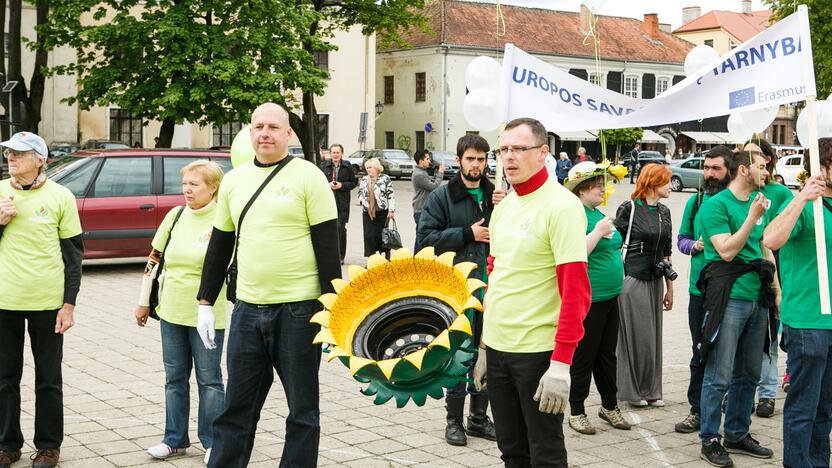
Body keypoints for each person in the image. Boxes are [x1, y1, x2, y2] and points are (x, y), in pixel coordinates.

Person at [195, 102, 340, 468]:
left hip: (299, 311)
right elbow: (221, 244)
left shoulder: (309, 177)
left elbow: (328, 248)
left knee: (302, 410)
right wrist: (204, 301)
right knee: (236, 410)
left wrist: (334, 309)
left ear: (288, 133)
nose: (265, 133)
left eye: (273, 127)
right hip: (246, 310)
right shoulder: (233, 181)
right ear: (249, 132)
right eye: (258, 126)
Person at [473, 117, 591, 466]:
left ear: (543, 153)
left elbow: (576, 291)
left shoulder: (561, 206)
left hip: (537, 355)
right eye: (503, 149)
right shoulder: (504, 206)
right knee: (511, 450)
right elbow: (496, 277)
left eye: (518, 149)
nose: (509, 158)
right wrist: (483, 345)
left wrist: (561, 364)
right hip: (498, 349)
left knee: (545, 453)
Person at [134, 160, 227, 464]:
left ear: (213, 187)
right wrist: (144, 301)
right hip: (171, 311)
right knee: (174, 378)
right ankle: (174, 439)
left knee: (210, 380)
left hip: (209, 314)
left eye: (194, 184)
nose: (187, 190)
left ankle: (213, 441)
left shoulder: (224, 220)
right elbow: (154, 259)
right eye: (185, 184)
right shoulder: (175, 215)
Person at [0, 132, 83, 468]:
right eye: (8, 152)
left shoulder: (61, 196)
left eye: (19, 153)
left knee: (48, 378)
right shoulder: (0, 193)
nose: (11, 157)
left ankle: (49, 446)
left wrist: (69, 304)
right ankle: (7, 445)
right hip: (5, 301)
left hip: (48, 303)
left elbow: (74, 256)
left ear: (40, 159)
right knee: (5, 377)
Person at [416, 134, 497, 446]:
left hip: (492, 288)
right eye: (470, 159)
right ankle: (453, 422)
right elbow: (425, 238)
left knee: (487, 354)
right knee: (459, 355)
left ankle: (478, 419)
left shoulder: (496, 195)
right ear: (459, 160)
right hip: (459, 290)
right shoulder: (443, 196)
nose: (476, 165)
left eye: (481, 159)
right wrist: (468, 233)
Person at [697, 149, 775, 466]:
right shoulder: (716, 206)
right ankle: (710, 439)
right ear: (744, 170)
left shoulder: (759, 203)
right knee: (720, 373)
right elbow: (726, 251)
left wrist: (777, 293)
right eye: (761, 167)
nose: (767, 172)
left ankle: (737, 433)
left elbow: (765, 248)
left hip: (757, 296)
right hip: (728, 297)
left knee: (750, 373)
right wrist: (752, 218)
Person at [763, 138, 832, 468]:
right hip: (808, 322)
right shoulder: (804, 206)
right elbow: (771, 239)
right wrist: (803, 195)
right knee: (804, 407)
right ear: (822, 167)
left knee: (825, 409)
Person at [563, 162, 630, 435]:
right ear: (581, 190)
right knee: (584, 356)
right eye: (597, 186)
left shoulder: (596, 212)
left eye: (603, 185)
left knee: (606, 355)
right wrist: (597, 233)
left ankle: (609, 405)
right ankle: (577, 410)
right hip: (589, 298)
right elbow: (575, 252)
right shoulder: (575, 215)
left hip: (610, 297)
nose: (603, 189)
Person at [674, 145, 733, 434]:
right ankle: (696, 409)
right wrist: (692, 245)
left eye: (715, 169)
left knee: (729, 354)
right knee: (700, 350)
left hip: (731, 290)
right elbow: (681, 239)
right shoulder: (695, 202)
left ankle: (728, 408)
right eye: (706, 168)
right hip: (700, 290)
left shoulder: (736, 202)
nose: (709, 174)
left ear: (729, 171)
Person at [613, 164, 673, 408]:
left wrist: (670, 288)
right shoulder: (630, 208)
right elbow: (614, 243)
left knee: (652, 338)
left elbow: (666, 251)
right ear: (653, 183)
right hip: (633, 279)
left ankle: (650, 389)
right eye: (667, 181)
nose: (671, 186)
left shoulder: (665, 211)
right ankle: (632, 390)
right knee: (635, 338)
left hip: (656, 280)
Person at [747, 139, 793, 419]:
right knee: (742, 340)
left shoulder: (780, 193)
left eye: (757, 158)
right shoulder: (736, 194)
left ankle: (767, 393)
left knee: (769, 337)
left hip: (773, 271)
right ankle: (740, 391)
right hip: (741, 276)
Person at [320, 144, 357, 264]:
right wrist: (327, 185)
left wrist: (342, 185)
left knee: (340, 229)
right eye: (333, 153)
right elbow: (318, 182)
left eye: (338, 152)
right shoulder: (324, 166)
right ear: (330, 154)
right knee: (328, 229)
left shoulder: (347, 166)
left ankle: (341, 255)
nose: (335, 155)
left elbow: (353, 182)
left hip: (342, 202)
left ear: (342, 154)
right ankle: (329, 255)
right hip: (327, 202)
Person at [358, 157, 396, 259]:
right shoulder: (364, 179)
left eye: (370, 167)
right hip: (368, 212)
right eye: (367, 168)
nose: (368, 170)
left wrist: (391, 210)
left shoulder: (385, 178)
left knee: (381, 236)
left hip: (382, 212)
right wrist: (361, 199)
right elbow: (360, 192)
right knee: (369, 236)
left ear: (377, 168)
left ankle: (386, 255)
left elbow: (391, 195)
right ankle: (371, 259)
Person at [412, 148, 444, 228]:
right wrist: (440, 172)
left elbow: (432, 181)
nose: (429, 161)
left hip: (424, 209)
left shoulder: (422, 172)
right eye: (427, 159)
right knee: (422, 237)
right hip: (421, 210)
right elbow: (434, 187)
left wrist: (437, 171)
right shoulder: (419, 174)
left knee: (423, 236)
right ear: (421, 161)